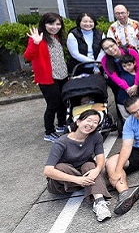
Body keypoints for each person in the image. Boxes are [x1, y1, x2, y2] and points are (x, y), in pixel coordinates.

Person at [43, 110, 112, 222]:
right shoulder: (61, 142)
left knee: (90, 165)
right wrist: (78, 179)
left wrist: (97, 169)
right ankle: (88, 185)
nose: (91, 124)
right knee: (60, 167)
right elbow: (47, 170)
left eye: (95, 122)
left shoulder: (96, 137)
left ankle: (99, 203)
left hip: (84, 175)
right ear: (79, 122)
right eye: (88, 120)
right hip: (62, 182)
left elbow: (100, 157)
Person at [25, 12, 69, 142]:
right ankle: (49, 132)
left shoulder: (56, 37)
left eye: (58, 24)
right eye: (51, 23)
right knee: (53, 104)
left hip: (62, 75)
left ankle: (61, 125)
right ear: (44, 24)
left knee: (63, 102)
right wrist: (35, 43)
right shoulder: (38, 38)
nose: (55, 27)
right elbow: (28, 56)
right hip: (47, 78)